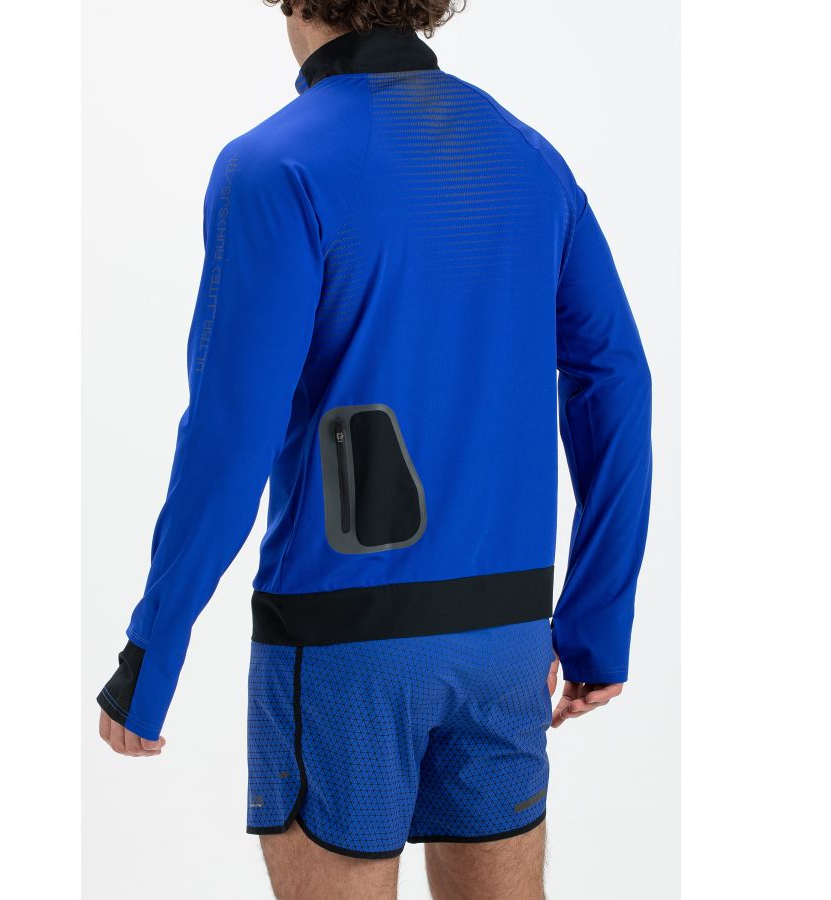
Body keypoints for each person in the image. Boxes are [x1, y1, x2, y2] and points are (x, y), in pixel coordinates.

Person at [96, 1, 652, 897]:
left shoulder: (274, 166)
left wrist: (150, 658)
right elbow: (616, 380)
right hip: (506, 643)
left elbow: (231, 434)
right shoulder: (530, 157)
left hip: (345, 648)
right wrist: (597, 628)